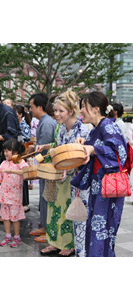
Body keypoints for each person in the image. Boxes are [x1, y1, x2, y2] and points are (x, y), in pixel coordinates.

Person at [71, 91, 127, 257]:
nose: (81, 111)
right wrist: (84, 146)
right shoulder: (96, 129)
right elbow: (91, 155)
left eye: (83, 107)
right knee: (96, 232)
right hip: (99, 188)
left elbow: (120, 155)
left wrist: (94, 148)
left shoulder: (109, 127)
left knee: (102, 232)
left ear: (96, 109)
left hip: (108, 189)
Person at [36, 89, 90, 257]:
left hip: (74, 178)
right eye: (56, 110)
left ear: (71, 111)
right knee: (54, 210)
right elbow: (58, 146)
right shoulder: (60, 128)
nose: (57, 114)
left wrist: (67, 168)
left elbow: (82, 156)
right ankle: (54, 242)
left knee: (68, 211)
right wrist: (46, 147)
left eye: (61, 111)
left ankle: (70, 244)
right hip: (59, 174)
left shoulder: (82, 129)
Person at [29, 93, 56, 242]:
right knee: (43, 196)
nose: (31, 110)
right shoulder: (44, 121)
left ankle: (48, 229)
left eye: (32, 107)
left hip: (48, 166)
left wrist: (32, 152)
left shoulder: (46, 123)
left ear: (40, 107)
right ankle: (45, 226)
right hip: (45, 165)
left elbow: (43, 151)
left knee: (47, 196)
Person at [0, 139, 28, 247]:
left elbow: (26, 172)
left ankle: (17, 237)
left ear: (15, 152)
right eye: (5, 150)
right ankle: (8, 235)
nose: (6, 153)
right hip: (4, 195)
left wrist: (16, 170)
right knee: (5, 217)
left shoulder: (20, 162)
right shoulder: (4, 163)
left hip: (15, 197)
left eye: (8, 150)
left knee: (15, 218)